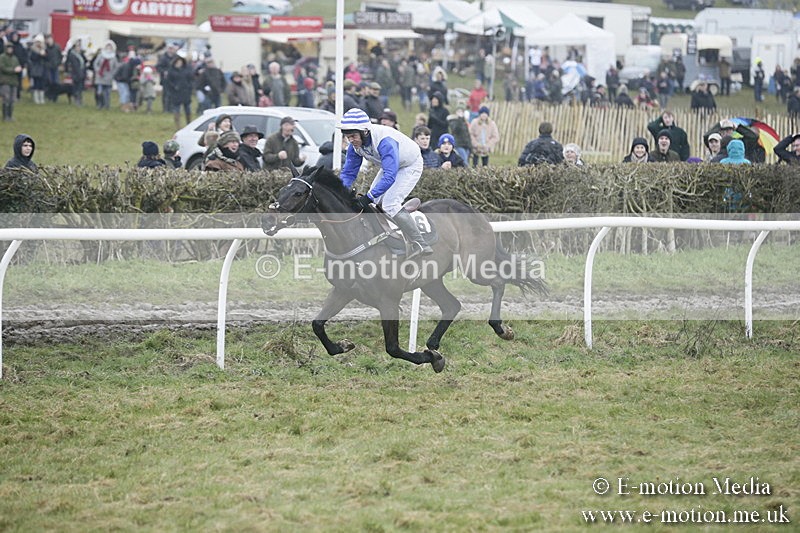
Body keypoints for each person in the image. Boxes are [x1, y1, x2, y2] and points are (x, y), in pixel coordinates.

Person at [337, 108, 432, 259]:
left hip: (410, 165)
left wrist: (368, 196)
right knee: (374, 203)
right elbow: (348, 173)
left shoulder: (384, 142)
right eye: (348, 137)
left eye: (353, 136)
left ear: (365, 132)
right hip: (391, 166)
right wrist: (340, 192)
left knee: (390, 203)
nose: (351, 140)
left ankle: (419, 243)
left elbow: (390, 176)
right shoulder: (354, 147)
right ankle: (385, 238)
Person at [166, 55, 193, 128]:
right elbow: (168, 82)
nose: (179, 64)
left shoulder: (186, 70)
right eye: (178, 62)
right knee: (176, 109)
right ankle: (178, 125)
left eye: (180, 62)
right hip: (176, 93)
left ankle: (189, 124)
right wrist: (174, 87)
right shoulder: (171, 71)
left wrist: (189, 87)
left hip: (186, 92)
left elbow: (191, 80)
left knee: (188, 109)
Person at [92, 40, 118, 110]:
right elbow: (95, 64)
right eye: (107, 46)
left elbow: (116, 67)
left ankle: (107, 106)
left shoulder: (114, 57)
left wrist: (112, 74)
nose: (109, 48)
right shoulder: (101, 55)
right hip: (100, 76)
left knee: (107, 93)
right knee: (99, 92)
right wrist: (98, 71)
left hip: (109, 77)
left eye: (110, 47)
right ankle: (100, 104)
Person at [0, 42, 22, 121]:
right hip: (5, 81)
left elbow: (18, 65)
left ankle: (10, 115)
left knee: (12, 100)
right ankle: (5, 116)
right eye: (8, 48)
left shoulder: (15, 58)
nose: (10, 49)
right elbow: (3, 68)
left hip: (14, 81)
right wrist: (13, 70)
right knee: (6, 99)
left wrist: (18, 69)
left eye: (11, 48)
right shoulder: (2, 57)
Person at [64, 38, 86, 107]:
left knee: (80, 88)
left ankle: (79, 100)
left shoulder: (81, 54)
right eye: (77, 46)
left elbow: (84, 62)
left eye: (79, 46)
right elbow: (73, 65)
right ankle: (77, 100)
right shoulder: (72, 55)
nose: (78, 48)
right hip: (76, 73)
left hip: (82, 73)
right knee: (76, 87)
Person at [26, 34, 47, 105]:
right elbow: (32, 59)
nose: (39, 43)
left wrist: (44, 55)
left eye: (40, 42)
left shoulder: (44, 50)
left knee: (42, 84)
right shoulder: (33, 50)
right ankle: (36, 98)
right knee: (36, 84)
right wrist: (39, 55)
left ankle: (41, 98)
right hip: (35, 69)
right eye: (37, 42)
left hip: (43, 69)